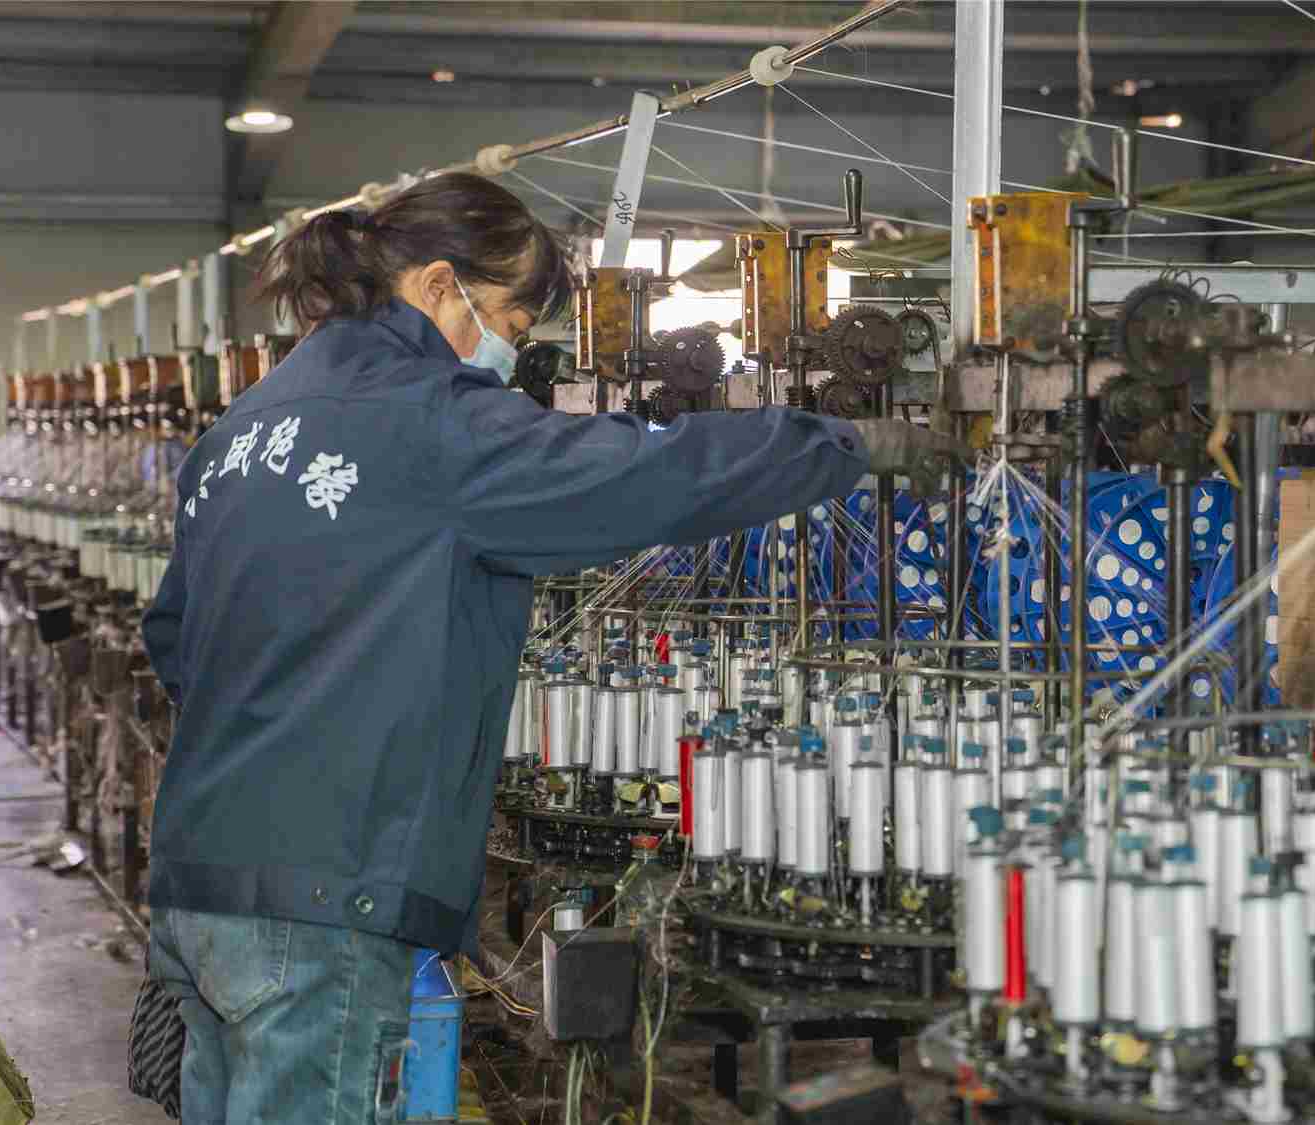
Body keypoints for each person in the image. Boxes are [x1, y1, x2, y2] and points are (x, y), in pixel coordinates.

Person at [138, 172, 965, 1124]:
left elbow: (175, 641)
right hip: (323, 899)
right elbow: (644, 473)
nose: (507, 353)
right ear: (440, 285)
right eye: (512, 324)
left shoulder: (244, 428)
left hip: (200, 877)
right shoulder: (429, 421)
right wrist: (839, 446)